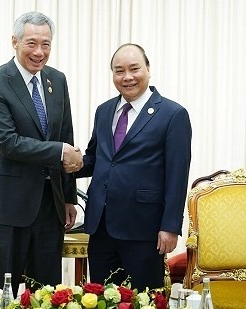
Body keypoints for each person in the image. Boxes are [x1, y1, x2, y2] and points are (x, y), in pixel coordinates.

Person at [0, 11, 83, 296]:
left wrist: (69, 197)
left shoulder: (57, 80)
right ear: (15, 42)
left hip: (50, 205)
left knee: (45, 290)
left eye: (46, 44)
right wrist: (61, 150)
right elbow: (8, 142)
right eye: (32, 43)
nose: (40, 52)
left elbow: (66, 136)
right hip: (9, 203)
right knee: (3, 291)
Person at [74, 43, 191, 290]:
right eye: (119, 71)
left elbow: (177, 176)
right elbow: (97, 158)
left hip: (144, 229)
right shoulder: (104, 111)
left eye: (134, 69)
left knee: (144, 299)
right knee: (101, 298)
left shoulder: (172, 114)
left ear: (148, 69)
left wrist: (170, 227)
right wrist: (72, 163)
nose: (127, 77)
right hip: (101, 226)